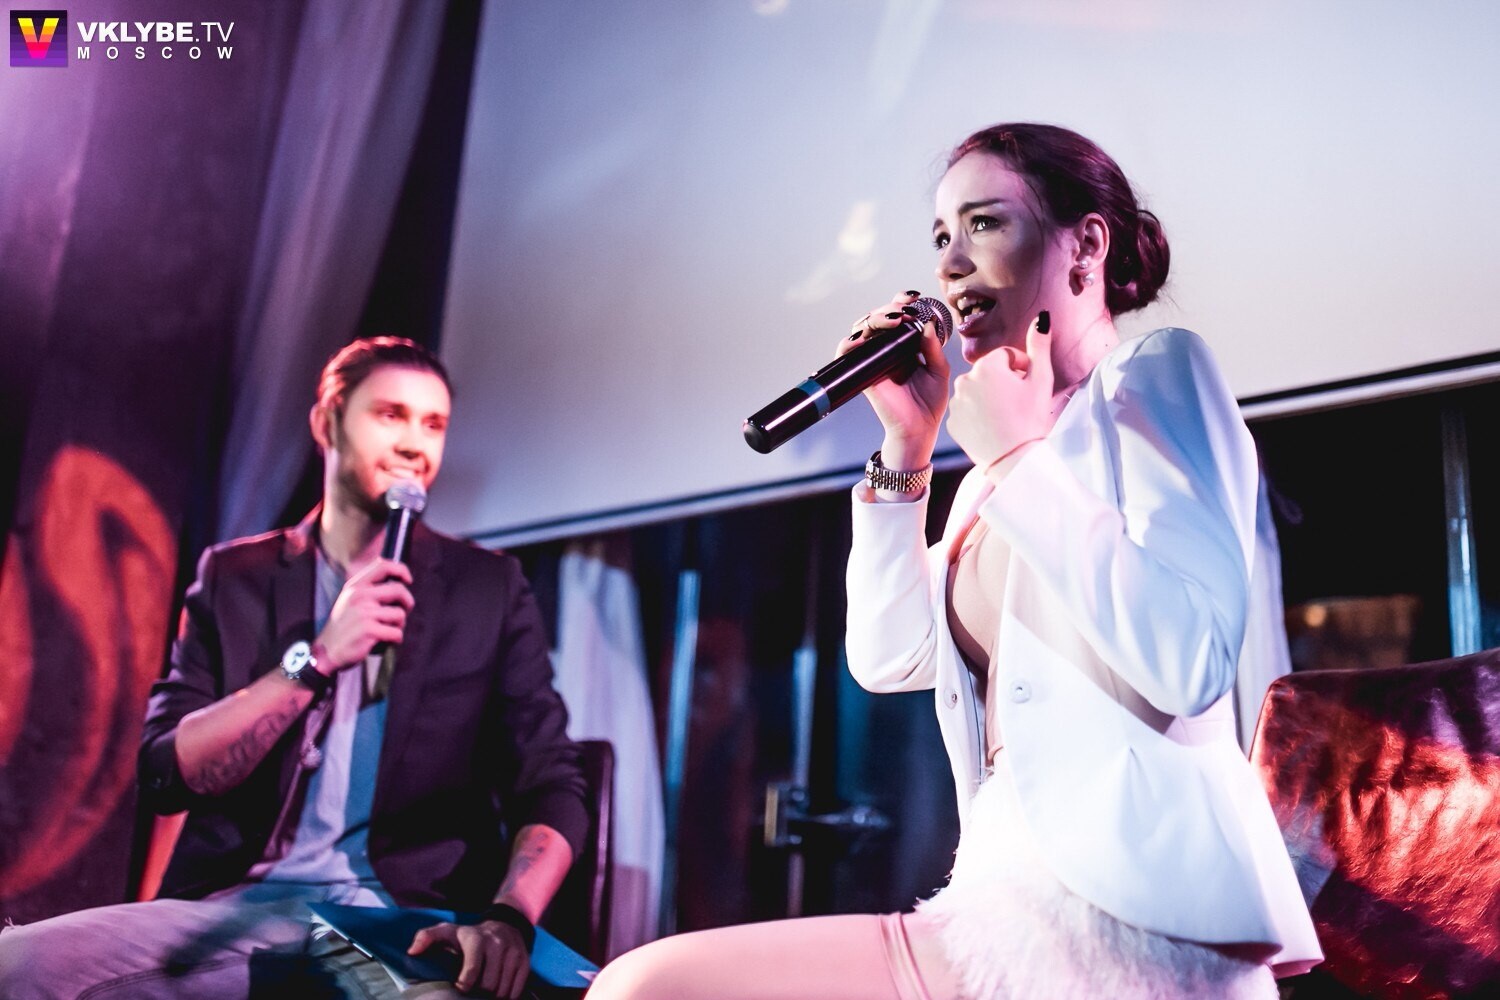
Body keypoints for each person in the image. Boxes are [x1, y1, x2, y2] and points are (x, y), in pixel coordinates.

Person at [588, 123, 1322, 999]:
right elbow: (888, 656)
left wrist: (1016, 456)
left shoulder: (1153, 378)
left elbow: (1189, 658)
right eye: (941, 236)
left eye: (984, 223)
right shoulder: (988, 482)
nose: (951, 262)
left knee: (650, 988)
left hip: (1134, 922)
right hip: (997, 894)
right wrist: (908, 447)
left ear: (1086, 244)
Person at [0, 337, 589, 1000]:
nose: (413, 444)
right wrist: (316, 659)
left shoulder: (487, 589)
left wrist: (509, 918)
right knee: (17, 963)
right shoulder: (236, 578)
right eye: (390, 415)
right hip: (235, 909)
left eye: (434, 425)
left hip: (396, 919)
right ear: (326, 422)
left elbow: (551, 782)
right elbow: (167, 773)